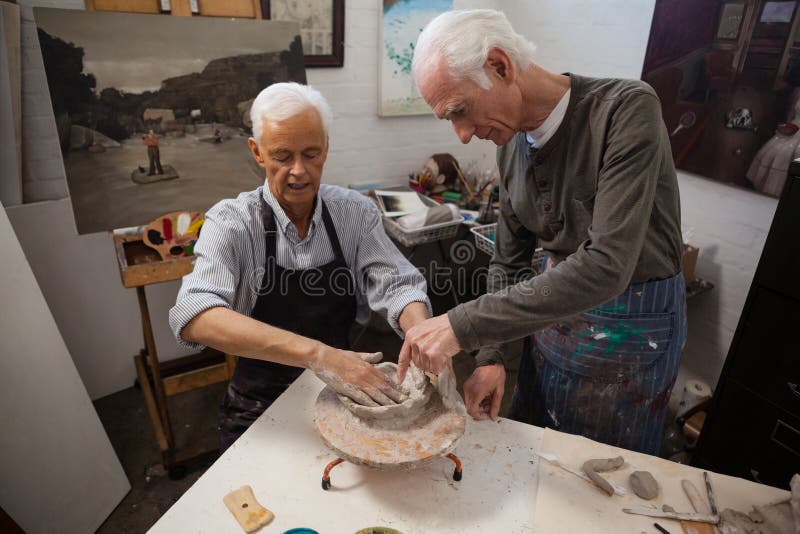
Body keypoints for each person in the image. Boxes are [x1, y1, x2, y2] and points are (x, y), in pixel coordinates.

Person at [397, 9, 686, 455]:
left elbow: (608, 265)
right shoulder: (510, 144)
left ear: (499, 65)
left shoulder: (625, 111)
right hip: (550, 325)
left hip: (630, 334)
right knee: (531, 456)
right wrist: (492, 357)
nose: (462, 135)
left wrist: (462, 325)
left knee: (597, 476)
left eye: (460, 111)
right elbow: (509, 261)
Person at [169, 82, 432, 451]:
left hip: (341, 391)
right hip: (259, 404)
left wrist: (422, 337)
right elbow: (194, 315)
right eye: (282, 156)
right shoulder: (231, 223)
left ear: (327, 145)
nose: (299, 171)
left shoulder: (354, 213)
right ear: (257, 152)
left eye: (311, 154)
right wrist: (320, 355)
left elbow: (399, 285)